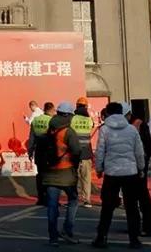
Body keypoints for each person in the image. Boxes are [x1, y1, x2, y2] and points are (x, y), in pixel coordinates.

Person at [92, 102, 147, 249]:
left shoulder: (104, 130)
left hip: (112, 173)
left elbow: (100, 151)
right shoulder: (132, 129)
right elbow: (139, 152)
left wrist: (99, 169)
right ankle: (134, 239)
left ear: (108, 114)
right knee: (132, 207)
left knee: (107, 207)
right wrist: (141, 168)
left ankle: (101, 237)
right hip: (130, 172)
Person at [39, 101, 82, 246]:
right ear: (69, 115)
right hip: (66, 173)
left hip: (49, 174)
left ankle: (53, 237)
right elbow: (77, 151)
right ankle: (67, 230)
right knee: (73, 200)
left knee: (52, 206)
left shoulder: (49, 130)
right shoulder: (68, 132)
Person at [124, 106, 151, 236]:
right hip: (135, 166)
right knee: (135, 198)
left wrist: (143, 162)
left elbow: (149, 146)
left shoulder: (138, 125)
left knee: (139, 198)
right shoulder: (131, 125)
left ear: (128, 115)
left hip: (136, 167)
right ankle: (136, 226)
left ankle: (145, 226)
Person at [27, 101, 55, 207]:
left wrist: (30, 151)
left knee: (40, 175)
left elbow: (31, 138)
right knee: (50, 175)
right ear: (51, 110)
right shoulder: (52, 121)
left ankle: (41, 198)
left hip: (39, 150)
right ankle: (50, 198)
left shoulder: (36, 120)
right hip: (50, 151)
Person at [70, 97, 95, 207]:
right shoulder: (89, 120)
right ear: (86, 107)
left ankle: (75, 198)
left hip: (74, 153)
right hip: (86, 153)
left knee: (74, 177)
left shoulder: (72, 119)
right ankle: (87, 200)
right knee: (86, 178)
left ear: (76, 106)